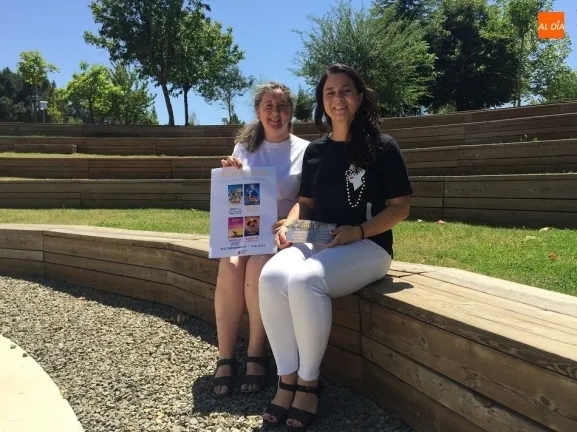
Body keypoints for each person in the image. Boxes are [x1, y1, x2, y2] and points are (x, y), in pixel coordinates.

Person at [258, 64, 413, 430]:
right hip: (318, 235)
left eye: (345, 91)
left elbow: (400, 207)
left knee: (305, 281)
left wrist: (358, 231)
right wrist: (292, 223)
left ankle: (310, 383)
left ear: (359, 97)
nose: (337, 98)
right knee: (271, 276)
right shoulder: (315, 151)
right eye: (330, 92)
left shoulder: (383, 147)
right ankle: (287, 379)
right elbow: (305, 203)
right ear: (322, 102)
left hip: (369, 245)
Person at [211, 81, 310, 398]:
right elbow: (234, 198)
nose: (275, 113)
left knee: (256, 266)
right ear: (258, 111)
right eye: (269, 106)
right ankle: (225, 356)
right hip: (247, 230)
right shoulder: (244, 148)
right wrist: (231, 176)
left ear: (291, 112)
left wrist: (288, 224)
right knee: (230, 264)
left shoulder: (306, 150)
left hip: (286, 231)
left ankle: (256, 352)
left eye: (282, 106)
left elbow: (306, 200)